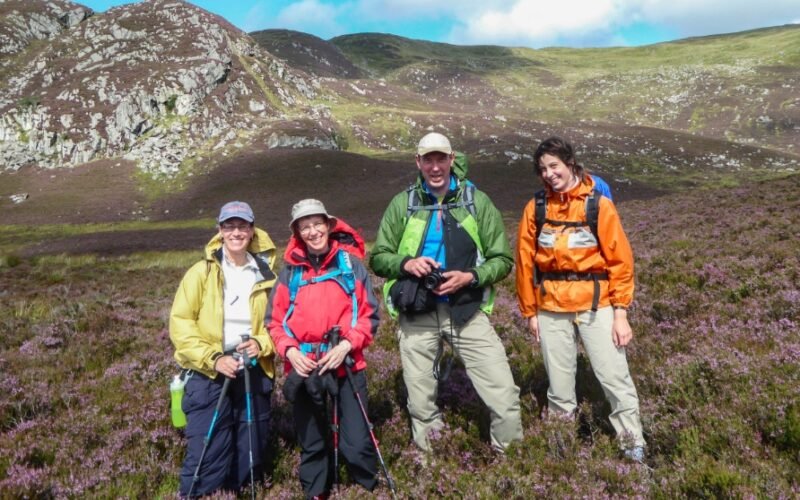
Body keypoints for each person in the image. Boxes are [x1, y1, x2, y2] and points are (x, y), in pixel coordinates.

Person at [369, 132, 523, 453]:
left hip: (466, 310)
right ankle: (432, 468)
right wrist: (407, 264)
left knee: (504, 394)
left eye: (441, 159)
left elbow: (503, 260)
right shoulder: (404, 204)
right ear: (418, 162)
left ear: (452, 160)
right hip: (417, 311)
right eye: (429, 159)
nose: (435, 166)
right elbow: (379, 257)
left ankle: (512, 463)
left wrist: (471, 276)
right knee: (421, 402)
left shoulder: (476, 202)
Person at [515, 136, 646, 462]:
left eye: (554, 166)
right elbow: (525, 263)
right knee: (559, 390)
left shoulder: (598, 205)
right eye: (543, 168)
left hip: (596, 306)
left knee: (615, 380)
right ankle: (563, 455)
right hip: (550, 309)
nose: (549, 174)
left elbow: (620, 261)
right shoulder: (536, 208)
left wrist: (620, 312)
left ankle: (633, 450)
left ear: (570, 163)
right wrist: (530, 312)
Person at [266, 199, 378, 499]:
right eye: (305, 227)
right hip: (303, 368)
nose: (313, 231)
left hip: (347, 363)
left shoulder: (351, 265)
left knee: (356, 441)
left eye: (317, 224)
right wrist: (290, 351)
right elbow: (274, 323)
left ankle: (365, 488)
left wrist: (346, 345)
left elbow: (369, 317)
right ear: (297, 233)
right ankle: (316, 492)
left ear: (329, 225)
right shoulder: (290, 273)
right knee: (312, 441)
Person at [169, 201, 278, 496]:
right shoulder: (200, 273)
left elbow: (279, 324)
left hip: (254, 370)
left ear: (252, 230)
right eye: (229, 226)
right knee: (209, 451)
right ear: (219, 232)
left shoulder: (268, 276)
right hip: (208, 373)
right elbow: (181, 325)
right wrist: (214, 359)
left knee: (250, 449)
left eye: (242, 226)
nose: (236, 232)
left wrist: (261, 343)